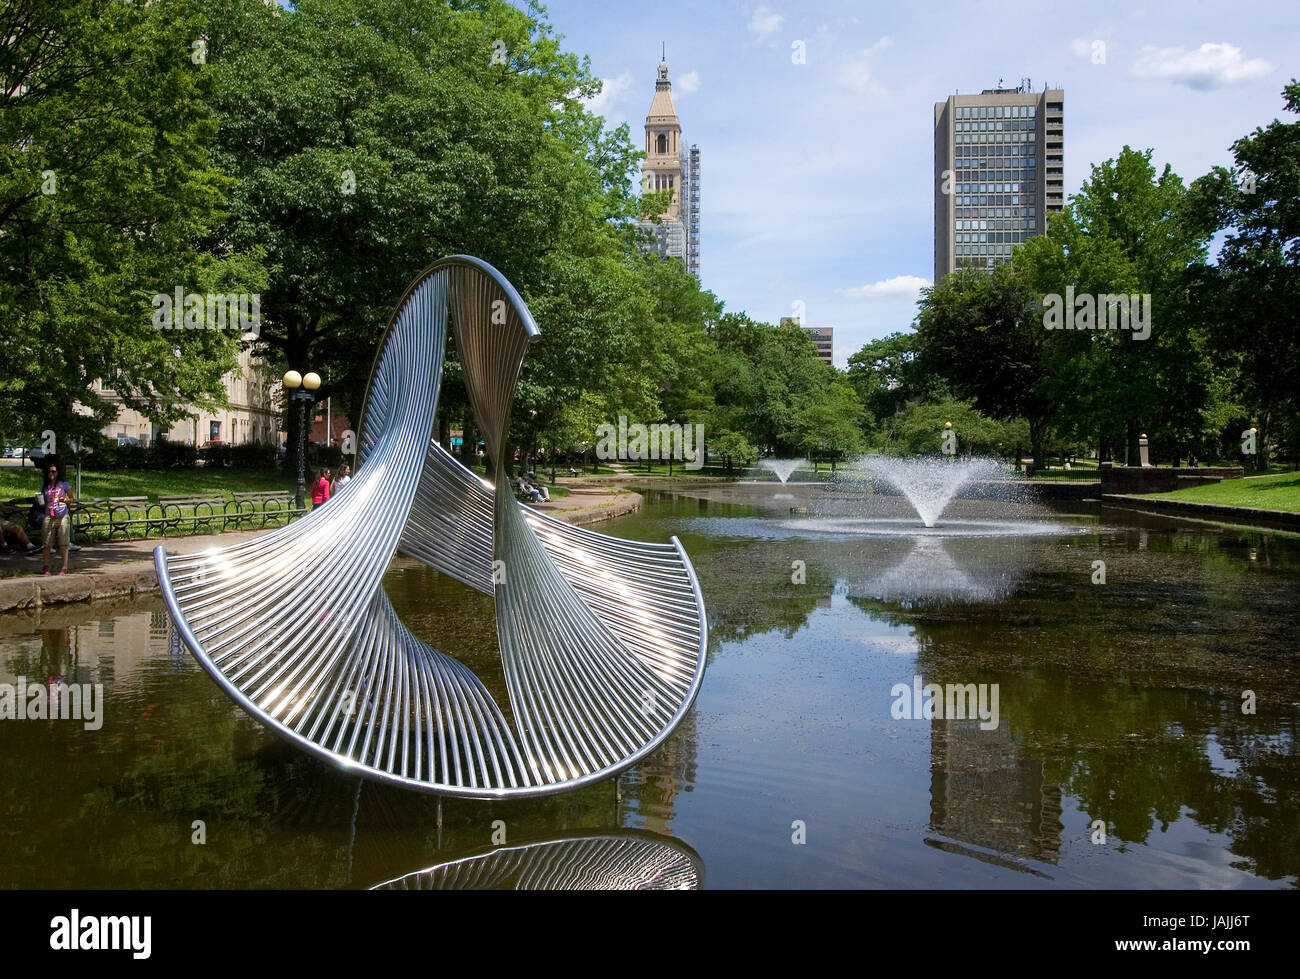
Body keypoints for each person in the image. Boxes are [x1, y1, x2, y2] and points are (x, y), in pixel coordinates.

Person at [38, 462, 74, 575]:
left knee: (63, 542)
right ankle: (46, 566)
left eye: (53, 471)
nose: (51, 473)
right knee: (46, 542)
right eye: (49, 471)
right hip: (49, 515)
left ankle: (64, 567)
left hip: (62, 515)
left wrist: (66, 500)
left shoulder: (64, 484)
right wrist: (39, 501)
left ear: (58, 473)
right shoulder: (45, 486)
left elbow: (72, 498)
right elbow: (43, 501)